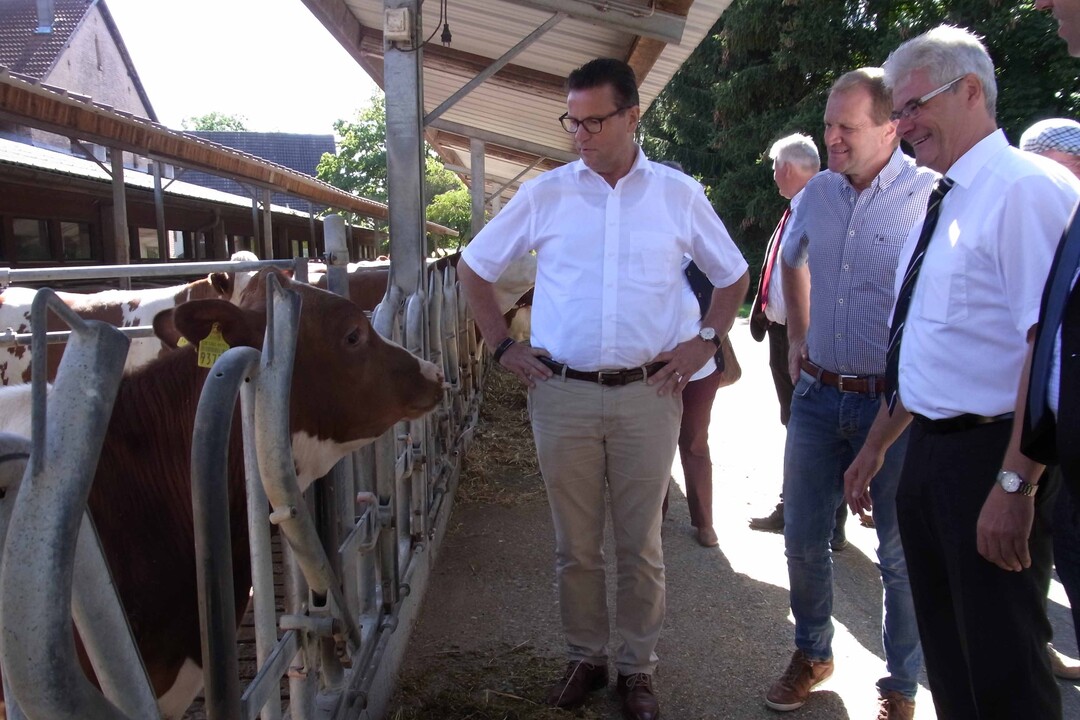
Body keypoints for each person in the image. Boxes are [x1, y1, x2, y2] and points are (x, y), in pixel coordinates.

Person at [458, 57, 749, 720]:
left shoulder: (678, 194)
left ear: (631, 115)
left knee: (640, 543)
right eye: (573, 121)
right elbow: (474, 269)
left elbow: (730, 274)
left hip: (650, 392)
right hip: (561, 393)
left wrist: (705, 338)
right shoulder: (546, 194)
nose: (580, 135)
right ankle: (586, 657)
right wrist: (502, 346)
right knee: (575, 543)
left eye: (594, 121)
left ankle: (637, 670)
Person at [844, 25, 1080, 719]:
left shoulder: (1023, 192)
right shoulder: (949, 194)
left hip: (993, 456)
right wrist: (878, 444)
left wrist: (1016, 482)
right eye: (898, 110)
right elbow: (935, 340)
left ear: (971, 91)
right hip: (932, 454)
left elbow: (1048, 352)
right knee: (949, 655)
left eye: (914, 105)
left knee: (1002, 663)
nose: (903, 124)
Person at [765, 67, 935, 719]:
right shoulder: (819, 194)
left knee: (897, 554)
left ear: (892, 127)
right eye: (828, 124)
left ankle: (901, 686)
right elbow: (791, 257)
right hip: (817, 397)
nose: (832, 139)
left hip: (894, 408)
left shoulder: (929, 196)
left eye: (847, 128)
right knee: (803, 539)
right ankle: (813, 651)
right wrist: (795, 338)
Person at [747, 134, 851, 546]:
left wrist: (801, 338)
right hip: (784, 336)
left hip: (806, 340)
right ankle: (797, 509)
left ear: (787, 169)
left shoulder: (823, 207)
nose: (773, 175)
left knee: (819, 426)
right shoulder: (799, 207)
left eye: (775, 167)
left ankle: (827, 522)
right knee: (798, 425)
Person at [1019, 115, 1080, 682]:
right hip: (1044, 430)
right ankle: (1035, 644)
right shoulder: (1057, 220)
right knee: (1037, 535)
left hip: (1055, 433)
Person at [656, 160, 728, 549]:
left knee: (695, 441)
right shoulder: (641, 244)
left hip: (699, 369)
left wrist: (707, 341)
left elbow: (731, 284)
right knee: (655, 446)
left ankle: (704, 521)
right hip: (653, 369)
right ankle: (655, 518)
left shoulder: (703, 246)